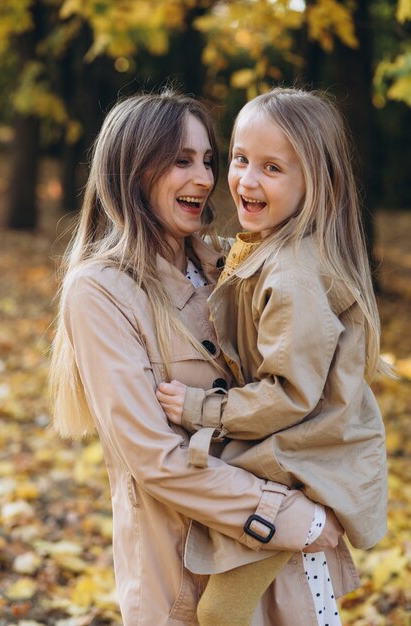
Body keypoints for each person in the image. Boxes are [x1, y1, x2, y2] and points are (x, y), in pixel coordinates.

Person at [157, 87, 388, 626]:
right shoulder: (268, 250)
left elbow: (290, 393)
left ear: (315, 183)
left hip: (301, 460)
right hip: (285, 454)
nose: (246, 179)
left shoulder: (293, 276)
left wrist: (200, 408)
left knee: (221, 613)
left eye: (272, 168)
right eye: (239, 159)